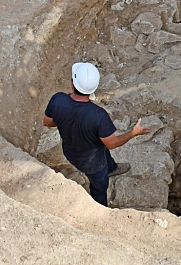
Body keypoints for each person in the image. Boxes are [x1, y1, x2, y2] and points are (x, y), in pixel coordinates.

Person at [43, 62, 150, 206]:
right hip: (92, 164)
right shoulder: (99, 116)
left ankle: (111, 168)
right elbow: (112, 143)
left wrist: (65, 120)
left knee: (102, 146)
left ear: (72, 85)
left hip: (71, 151)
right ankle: (100, 210)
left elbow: (48, 122)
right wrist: (133, 133)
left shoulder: (57, 100)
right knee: (99, 188)